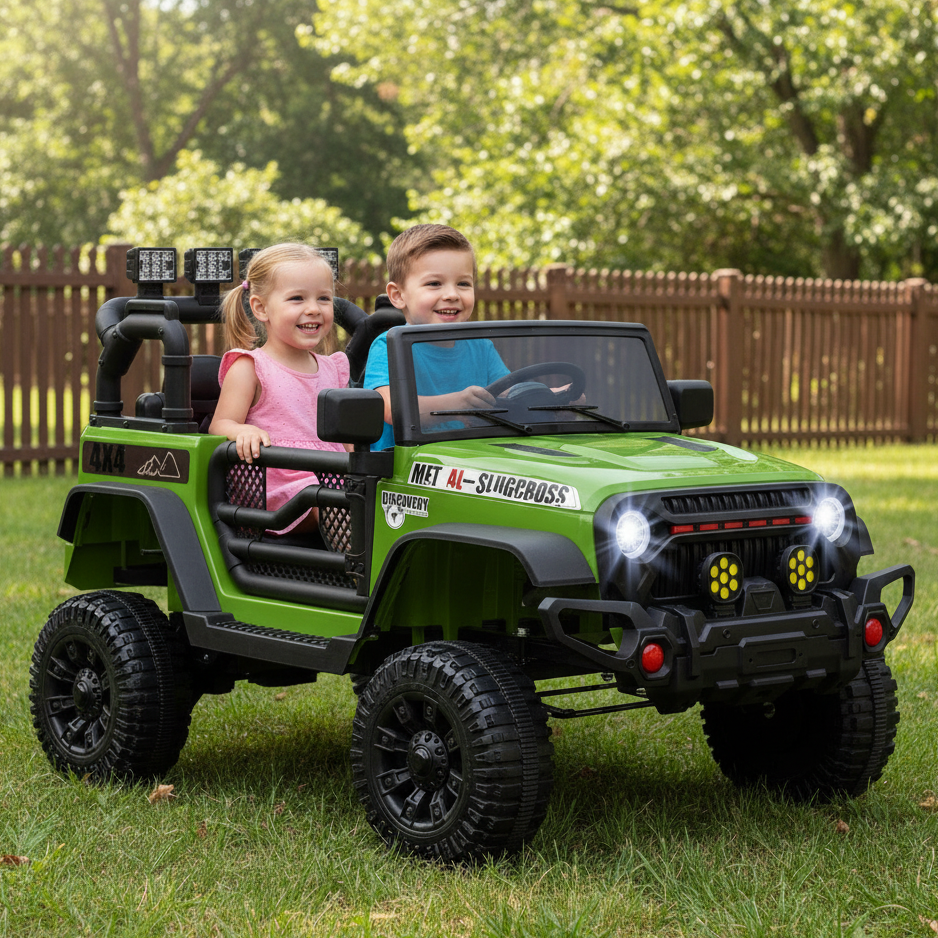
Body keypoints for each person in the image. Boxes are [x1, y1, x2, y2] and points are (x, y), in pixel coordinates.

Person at [209, 243, 350, 533]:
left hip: (332, 476)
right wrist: (242, 431)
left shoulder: (333, 368)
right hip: (275, 483)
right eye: (297, 298)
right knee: (342, 509)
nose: (314, 309)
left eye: (324, 298)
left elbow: (346, 438)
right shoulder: (250, 367)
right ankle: (360, 577)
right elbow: (220, 424)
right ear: (261, 307)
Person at [363, 224, 509, 450]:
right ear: (398, 295)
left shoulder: (481, 346)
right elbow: (390, 408)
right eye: (434, 284)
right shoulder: (389, 345)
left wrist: (554, 397)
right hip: (402, 470)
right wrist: (455, 405)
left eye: (463, 283)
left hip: (474, 461)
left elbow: (511, 392)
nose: (451, 295)